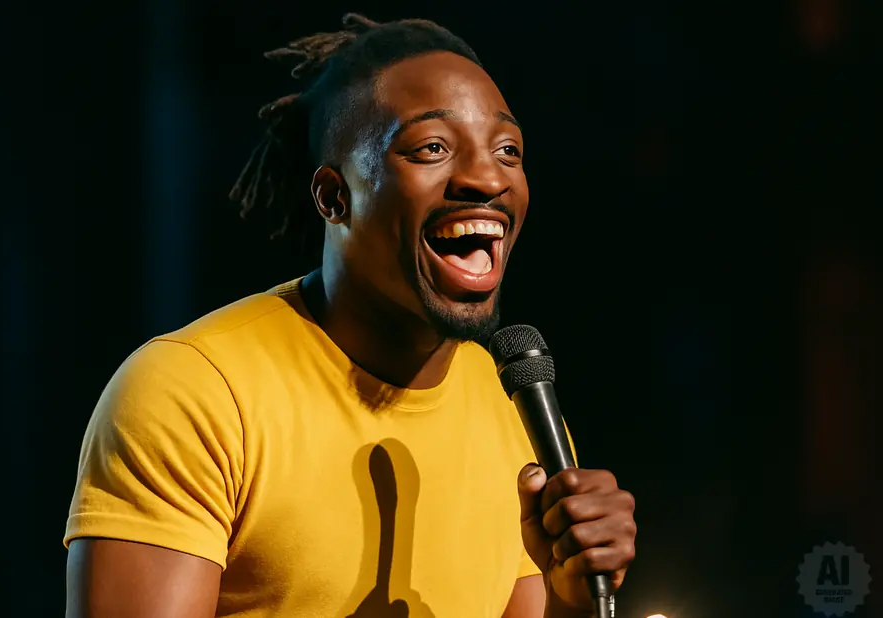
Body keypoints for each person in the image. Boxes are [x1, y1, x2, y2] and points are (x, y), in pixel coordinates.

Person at [64, 13, 636, 618]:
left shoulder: (513, 409)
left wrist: (572, 598)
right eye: (433, 148)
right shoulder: (195, 391)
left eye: (507, 150)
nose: (485, 177)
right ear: (335, 196)